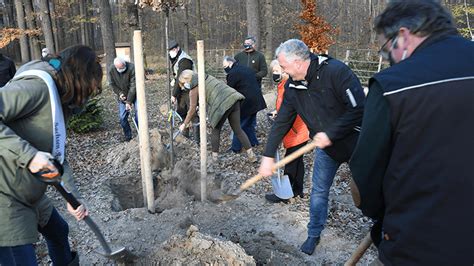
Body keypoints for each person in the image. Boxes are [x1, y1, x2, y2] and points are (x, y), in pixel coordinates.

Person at [349, 1, 474, 264]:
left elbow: (365, 177)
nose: (388, 61)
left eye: (385, 52)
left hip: (420, 243)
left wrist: (380, 215)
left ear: (403, 36)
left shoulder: (393, 86)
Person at [258, 39, 365, 255]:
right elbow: (282, 122)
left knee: (368, 191)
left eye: (285, 67)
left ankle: (383, 231)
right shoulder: (292, 86)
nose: (283, 72)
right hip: (327, 150)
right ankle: (313, 234)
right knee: (318, 191)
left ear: (297, 62)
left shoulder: (336, 72)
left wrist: (331, 133)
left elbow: (359, 109)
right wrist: (268, 155)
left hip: (357, 144)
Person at [0, 45, 102, 265]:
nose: (85, 100)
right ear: (77, 78)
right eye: (87, 91)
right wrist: (29, 156)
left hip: (27, 187)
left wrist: (73, 197)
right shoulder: (36, 88)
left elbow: (57, 153)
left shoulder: (59, 98)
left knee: (58, 232)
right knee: (21, 258)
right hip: (5, 193)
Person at [177, 69, 257, 163]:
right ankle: (251, 155)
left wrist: (184, 124)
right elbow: (210, 93)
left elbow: (192, 109)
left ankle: (214, 158)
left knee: (215, 129)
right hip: (233, 98)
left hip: (222, 103)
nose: (184, 86)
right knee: (238, 130)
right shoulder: (206, 77)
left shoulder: (193, 89)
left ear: (187, 79)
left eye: (183, 83)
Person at [264, 60, 310, 203]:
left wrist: (280, 120)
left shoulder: (289, 87)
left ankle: (285, 194)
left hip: (297, 130)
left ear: (285, 69)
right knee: (297, 160)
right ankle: (297, 190)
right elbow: (285, 108)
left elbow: (291, 110)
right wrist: (278, 112)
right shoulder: (283, 85)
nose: (275, 74)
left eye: (278, 70)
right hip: (296, 129)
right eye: (273, 71)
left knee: (291, 161)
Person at [223, 56, 266, 152]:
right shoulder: (246, 69)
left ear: (230, 63)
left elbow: (229, 90)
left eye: (225, 66)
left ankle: (235, 148)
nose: (225, 69)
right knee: (249, 124)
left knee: (239, 126)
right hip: (257, 100)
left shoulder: (233, 73)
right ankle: (253, 142)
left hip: (247, 102)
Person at [168, 40, 197, 139]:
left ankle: (198, 139)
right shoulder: (176, 58)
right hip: (182, 89)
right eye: (169, 50)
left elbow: (180, 78)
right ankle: (185, 136)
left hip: (190, 89)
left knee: (192, 114)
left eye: (172, 50)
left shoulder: (184, 60)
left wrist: (174, 95)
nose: (170, 52)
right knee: (181, 111)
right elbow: (177, 76)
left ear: (177, 48)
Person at [108, 57, 137, 142]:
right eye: (118, 68)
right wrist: (120, 93)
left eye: (122, 67)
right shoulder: (112, 69)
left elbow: (133, 86)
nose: (120, 70)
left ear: (125, 64)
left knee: (138, 115)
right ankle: (128, 136)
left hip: (135, 95)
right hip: (122, 96)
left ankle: (141, 135)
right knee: (122, 118)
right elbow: (112, 84)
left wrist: (129, 101)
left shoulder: (132, 68)